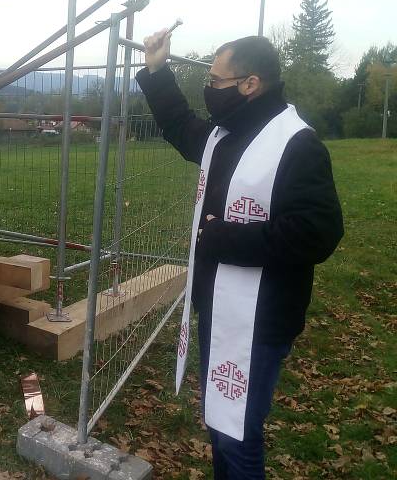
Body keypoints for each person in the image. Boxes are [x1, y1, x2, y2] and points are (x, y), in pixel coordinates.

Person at [136, 31, 343, 479]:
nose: (209, 89)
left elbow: (318, 232)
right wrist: (157, 70)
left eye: (216, 80)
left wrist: (227, 239)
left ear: (249, 84)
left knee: (237, 435)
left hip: (261, 318)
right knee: (221, 423)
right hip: (221, 309)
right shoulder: (226, 135)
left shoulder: (296, 144)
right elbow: (179, 125)